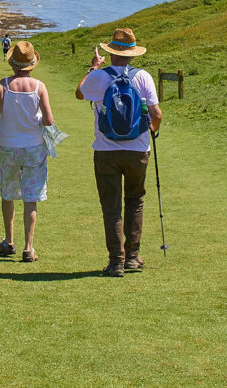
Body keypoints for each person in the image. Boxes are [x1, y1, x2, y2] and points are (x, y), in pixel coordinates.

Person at [76, 27, 162, 277]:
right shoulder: (143, 77)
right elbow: (156, 115)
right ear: (133, 55)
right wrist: (150, 132)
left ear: (110, 53)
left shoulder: (99, 77)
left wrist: (93, 68)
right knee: (135, 201)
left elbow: (80, 93)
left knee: (111, 207)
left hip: (106, 150)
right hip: (138, 149)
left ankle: (116, 262)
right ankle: (133, 257)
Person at [0, 41, 54, 263]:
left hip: (7, 146)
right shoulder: (39, 86)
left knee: (8, 194)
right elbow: (48, 120)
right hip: (33, 147)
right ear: (32, 65)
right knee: (31, 198)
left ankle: (9, 241)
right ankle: (28, 248)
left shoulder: (4, 85)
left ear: (13, 64)